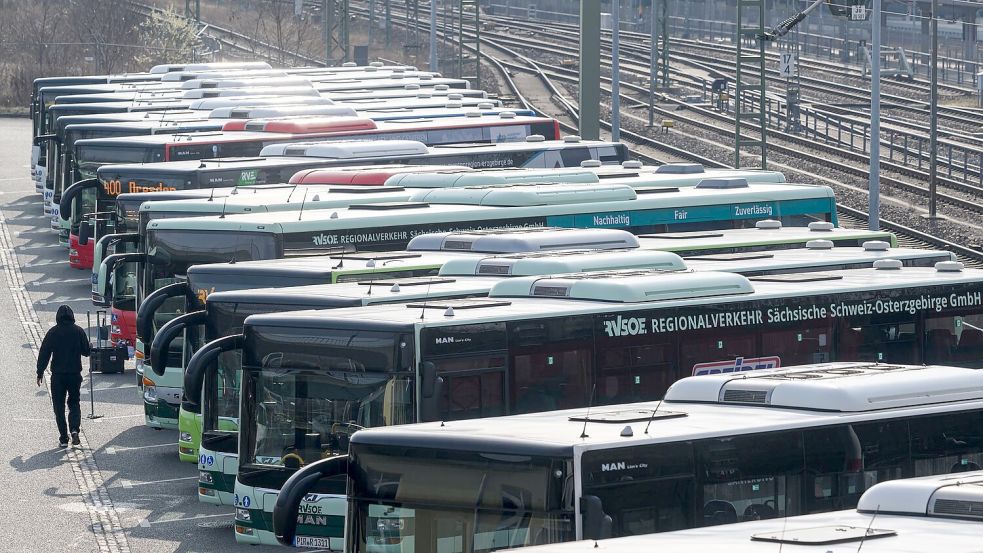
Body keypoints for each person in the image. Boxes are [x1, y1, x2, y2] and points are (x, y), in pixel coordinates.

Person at [36, 305, 91, 448]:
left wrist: (40, 371)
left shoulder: (53, 332)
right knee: (74, 403)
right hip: (74, 374)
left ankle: (63, 438)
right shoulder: (78, 331)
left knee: (58, 407)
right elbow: (86, 351)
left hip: (58, 376)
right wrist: (88, 345)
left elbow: (44, 352)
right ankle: (74, 429)